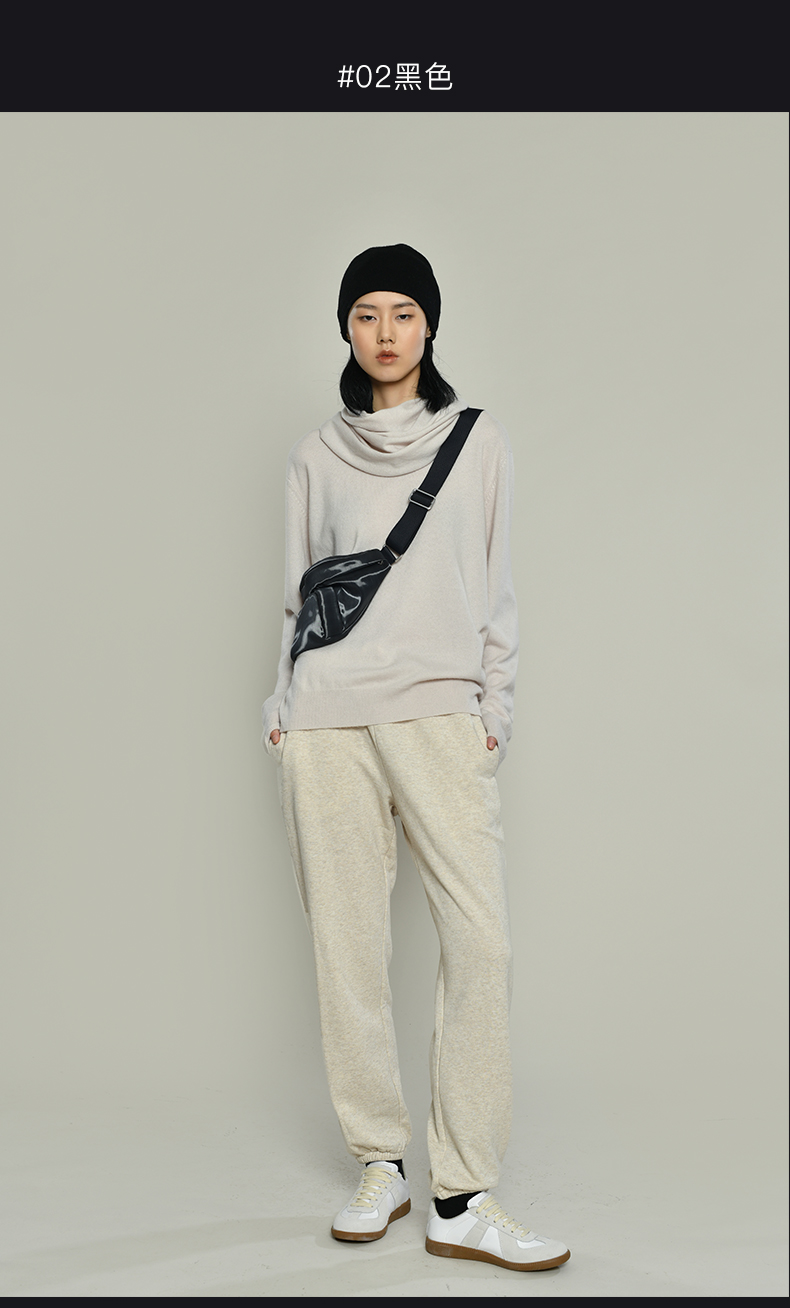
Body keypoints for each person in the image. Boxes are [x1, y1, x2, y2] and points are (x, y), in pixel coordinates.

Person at [261, 243, 570, 1273]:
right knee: (346, 950)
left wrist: (494, 714)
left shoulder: (477, 441)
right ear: (345, 329)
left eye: (402, 312)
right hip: (326, 721)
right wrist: (280, 707)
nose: (385, 332)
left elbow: (498, 590)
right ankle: (380, 1160)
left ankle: (463, 1192)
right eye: (365, 314)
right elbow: (299, 600)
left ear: (430, 324)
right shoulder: (314, 455)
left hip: (439, 715)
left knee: (481, 946)